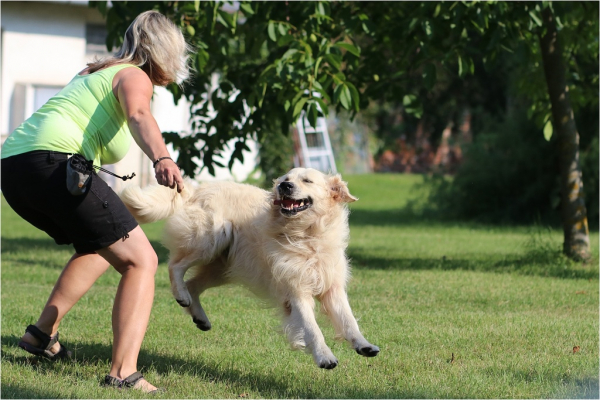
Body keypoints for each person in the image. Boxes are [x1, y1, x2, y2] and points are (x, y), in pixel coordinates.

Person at [1, 10, 190, 394]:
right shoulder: (134, 76)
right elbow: (139, 114)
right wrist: (162, 157)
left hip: (15, 167)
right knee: (142, 259)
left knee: (99, 243)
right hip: (54, 162)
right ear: (167, 53)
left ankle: (41, 334)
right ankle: (124, 372)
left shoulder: (94, 73)